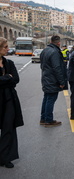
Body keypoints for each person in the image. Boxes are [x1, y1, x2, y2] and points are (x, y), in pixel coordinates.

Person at [0, 38, 24, 168]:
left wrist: (6, 79)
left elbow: (16, 79)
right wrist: (6, 78)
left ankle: (5, 157)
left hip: (9, 98)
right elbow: (10, 79)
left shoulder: (9, 63)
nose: (7, 49)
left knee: (8, 128)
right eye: (5, 47)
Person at [40, 35, 67, 127]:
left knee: (46, 98)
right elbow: (57, 68)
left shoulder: (45, 50)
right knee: (51, 99)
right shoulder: (55, 52)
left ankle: (43, 118)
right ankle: (48, 120)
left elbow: (42, 65)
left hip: (46, 78)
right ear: (58, 43)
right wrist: (61, 82)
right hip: (52, 79)